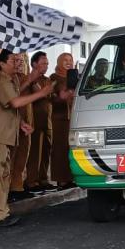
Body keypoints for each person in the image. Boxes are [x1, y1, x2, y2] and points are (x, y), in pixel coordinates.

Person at [0, 51, 47, 227]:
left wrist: (21, 123)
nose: (17, 63)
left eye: (19, 60)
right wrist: (41, 93)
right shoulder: (0, 79)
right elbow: (15, 103)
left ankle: (2, 211)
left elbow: (9, 109)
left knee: (3, 175)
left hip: (5, 135)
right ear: (1, 64)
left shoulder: (12, 80)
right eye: (13, 60)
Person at [25, 51, 54, 193]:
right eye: (43, 63)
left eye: (47, 64)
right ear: (34, 64)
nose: (46, 66)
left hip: (46, 120)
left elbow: (51, 97)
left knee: (46, 150)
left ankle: (43, 179)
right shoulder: (28, 79)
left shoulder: (47, 79)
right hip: (33, 120)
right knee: (34, 151)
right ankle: (31, 181)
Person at [9, 54, 36, 202]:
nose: (20, 64)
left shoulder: (24, 76)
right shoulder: (8, 78)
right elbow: (13, 95)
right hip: (13, 120)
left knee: (23, 155)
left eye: (22, 61)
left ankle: (18, 186)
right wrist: (29, 80)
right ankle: (10, 188)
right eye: (17, 61)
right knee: (12, 156)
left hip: (27, 119)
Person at [50, 53, 77, 188]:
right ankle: (61, 179)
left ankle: (71, 177)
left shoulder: (74, 77)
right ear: (59, 62)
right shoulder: (54, 78)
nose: (68, 62)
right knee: (60, 149)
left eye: (70, 60)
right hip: (59, 119)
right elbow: (58, 97)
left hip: (73, 119)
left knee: (71, 148)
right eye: (65, 60)